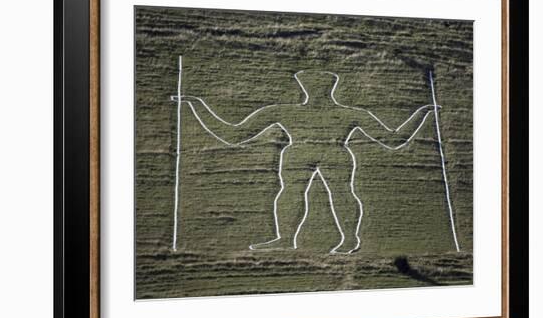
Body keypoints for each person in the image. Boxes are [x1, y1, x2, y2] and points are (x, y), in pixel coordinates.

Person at [174, 70, 437, 254]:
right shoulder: (285, 111)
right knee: (291, 193)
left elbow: (393, 139)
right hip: (300, 152)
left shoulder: (349, 113)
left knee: (340, 192)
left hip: (333, 151)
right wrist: (196, 105)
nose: (316, 89)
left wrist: (422, 113)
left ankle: (348, 239)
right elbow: (234, 134)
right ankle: (287, 239)